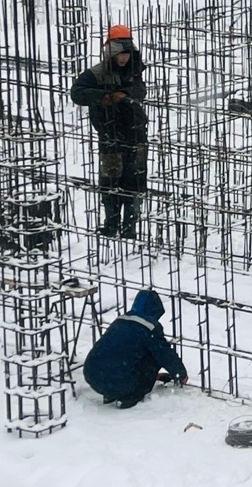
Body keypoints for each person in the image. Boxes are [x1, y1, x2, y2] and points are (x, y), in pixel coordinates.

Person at [70, 24, 149, 238]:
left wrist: (123, 94)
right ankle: (111, 224)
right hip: (110, 134)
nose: (123, 58)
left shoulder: (134, 70)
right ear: (110, 52)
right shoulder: (96, 73)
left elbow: (141, 90)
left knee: (135, 180)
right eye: (119, 53)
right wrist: (103, 97)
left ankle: (130, 227)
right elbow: (77, 93)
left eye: (126, 53)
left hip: (135, 132)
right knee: (111, 180)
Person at [83, 289, 188, 409]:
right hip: (118, 381)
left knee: (122, 354)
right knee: (154, 355)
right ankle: (129, 396)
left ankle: (110, 392)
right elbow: (164, 354)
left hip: (92, 375)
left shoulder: (121, 320)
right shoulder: (149, 327)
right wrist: (180, 373)